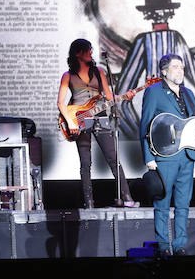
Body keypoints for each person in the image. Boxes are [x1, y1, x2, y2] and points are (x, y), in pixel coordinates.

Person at [115, 0, 195, 137]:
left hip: (180, 123)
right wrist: (139, 134)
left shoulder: (173, 39)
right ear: (148, 13)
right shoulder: (145, 41)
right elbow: (121, 99)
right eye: (156, 10)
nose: (160, 13)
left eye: (162, 9)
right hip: (155, 120)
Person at [140, 53, 195, 254]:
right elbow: (145, 126)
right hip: (164, 156)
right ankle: (164, 246)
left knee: (183, 204)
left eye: (182, 67)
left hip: (187, 155)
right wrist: (149, 158)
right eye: (175, 67)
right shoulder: (154, 92)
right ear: (164, 71)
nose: (180, 71)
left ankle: (180, 246)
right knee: (162, 204)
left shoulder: (188, 93)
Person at [58, 39, 138, 208]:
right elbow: (60, 103)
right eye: (88, 50)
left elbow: (109, 97)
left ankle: (127, 197)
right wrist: (71, 123)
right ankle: (89, 203)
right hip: (79, 121)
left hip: (100, 117)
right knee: (85, 163)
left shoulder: (99, 71)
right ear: (78, 53)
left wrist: (125, 96)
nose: (91, 52)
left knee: (113, 158)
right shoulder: (68, 75)